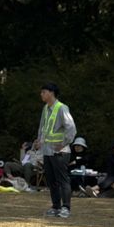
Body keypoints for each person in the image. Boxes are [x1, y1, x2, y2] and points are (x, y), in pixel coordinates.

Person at [36, 82, 76, 219]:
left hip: (60, 152)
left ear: (51, 93)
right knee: (51, 180)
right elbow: (43, 128)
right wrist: (39, 141)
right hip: (48, 151)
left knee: (62, 180)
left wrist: (64, 142)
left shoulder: (61, 108)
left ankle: (66, 207)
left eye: (43, 92)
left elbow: (71, 129)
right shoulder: (45, 109)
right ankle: (56, 206)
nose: (41, 94)